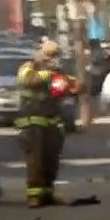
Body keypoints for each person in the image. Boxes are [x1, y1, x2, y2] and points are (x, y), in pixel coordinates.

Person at [15, 40, 73, 208]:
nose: (52, 58)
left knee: (51, 160)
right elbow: (27, 80)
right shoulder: (29, 66)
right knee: (35, 161)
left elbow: (60, 91)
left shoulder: (57, 72)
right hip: (32, 124)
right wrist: (48, 73)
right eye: (49, 55)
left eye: (55, 55)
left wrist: (68, 84)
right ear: (41, 53)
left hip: (52, 122)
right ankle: (34, 196)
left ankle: (48, 193)